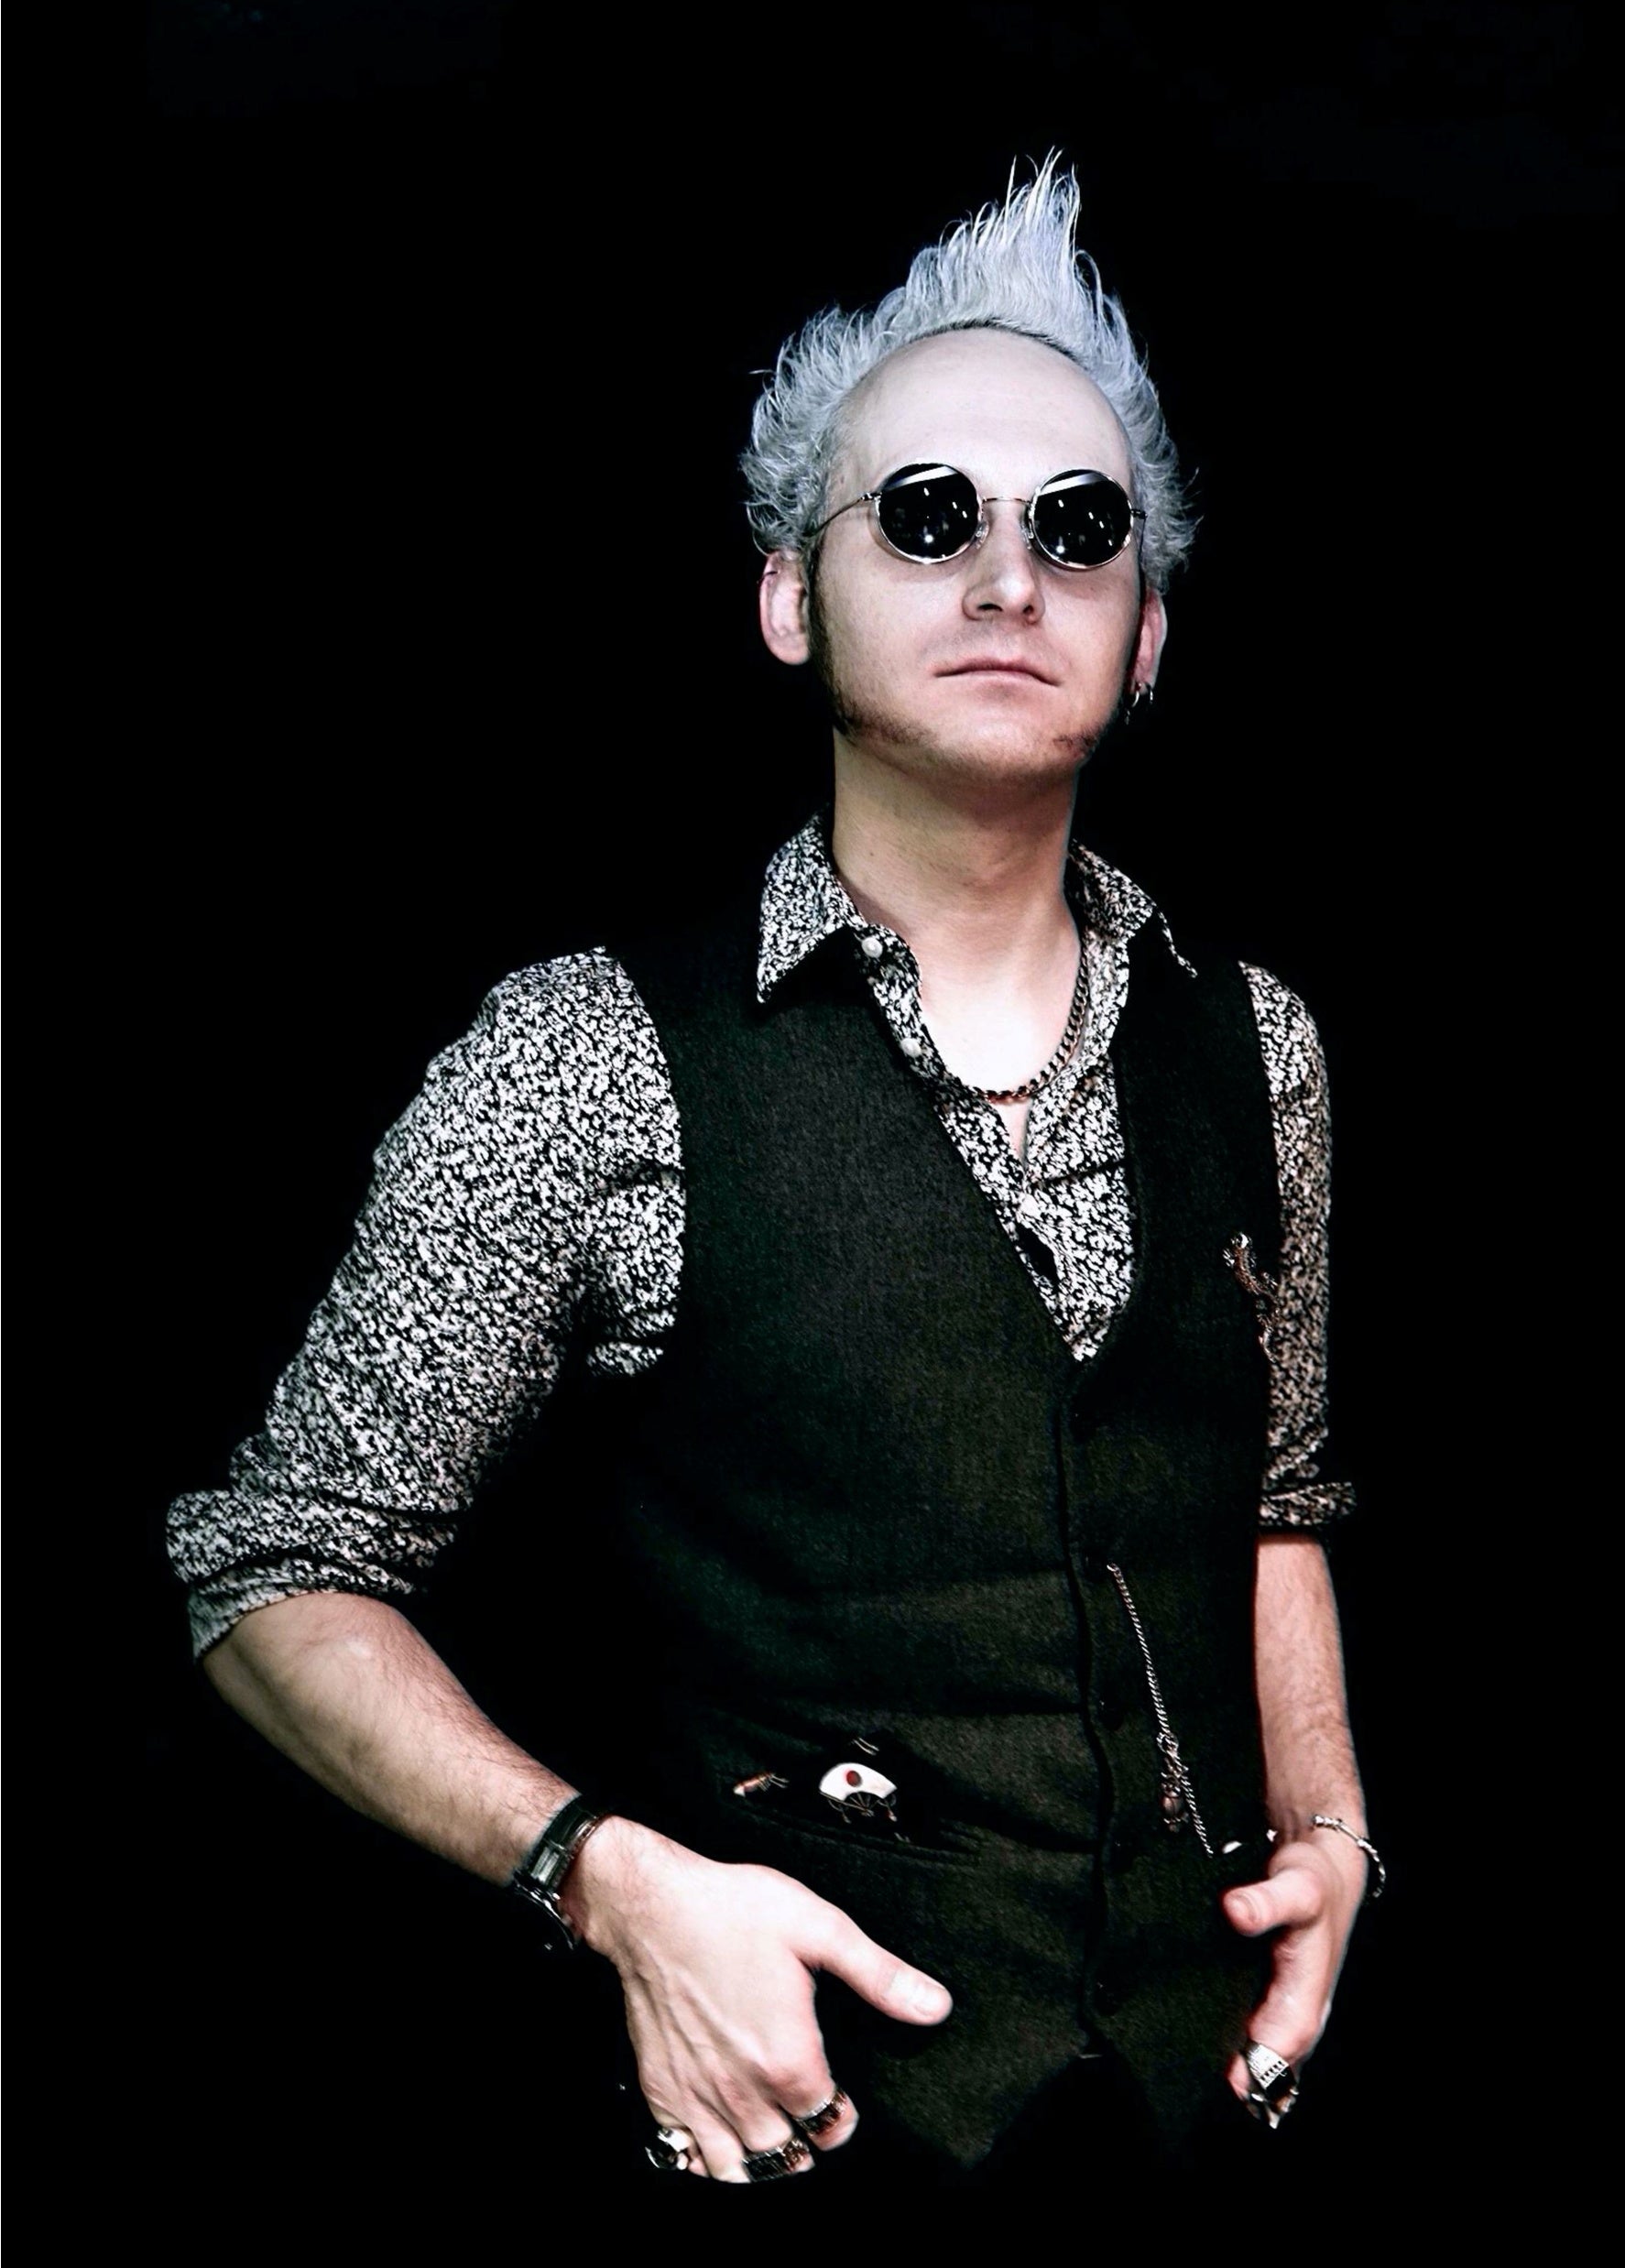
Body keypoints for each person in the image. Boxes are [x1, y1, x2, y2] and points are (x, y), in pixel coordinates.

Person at [166, 160, 1378, 2192]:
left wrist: (1335, 1834)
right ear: (789, 598)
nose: (1008, 579)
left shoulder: (1260, 1047)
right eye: (928, 516)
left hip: (1196, 2133)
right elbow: (269, 1572)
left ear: (1149, 629)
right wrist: (606, 1881)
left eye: (1078, 529)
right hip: (793, 2152)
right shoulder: (587, 1053)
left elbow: (1273, 1506)